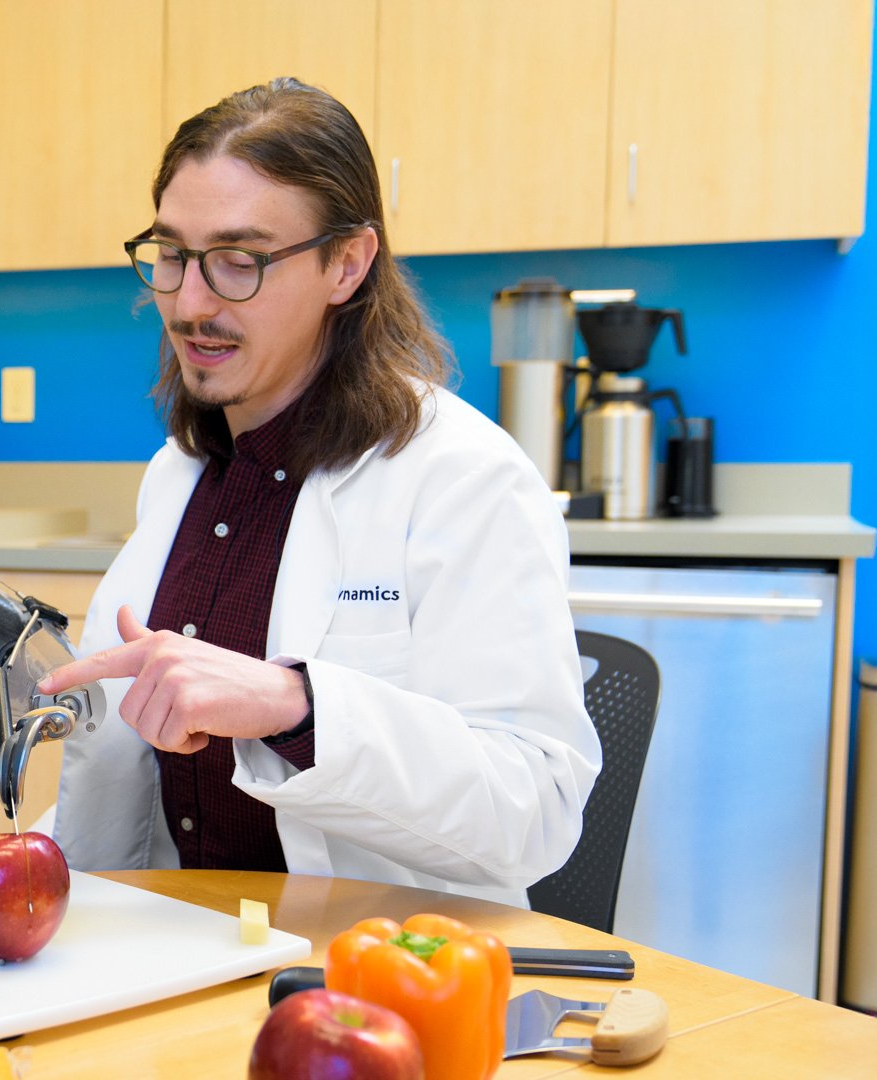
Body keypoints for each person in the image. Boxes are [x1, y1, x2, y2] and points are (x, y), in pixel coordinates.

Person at [38, 77, 600, 905]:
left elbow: (534, 810)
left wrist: (297, 707)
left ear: (347, 263)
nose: (189, 302)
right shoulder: (179, 474)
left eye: (240, 261)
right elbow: (130, 790)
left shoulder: (465, 479)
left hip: (372, 957)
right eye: (172, 255)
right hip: (176, 946)